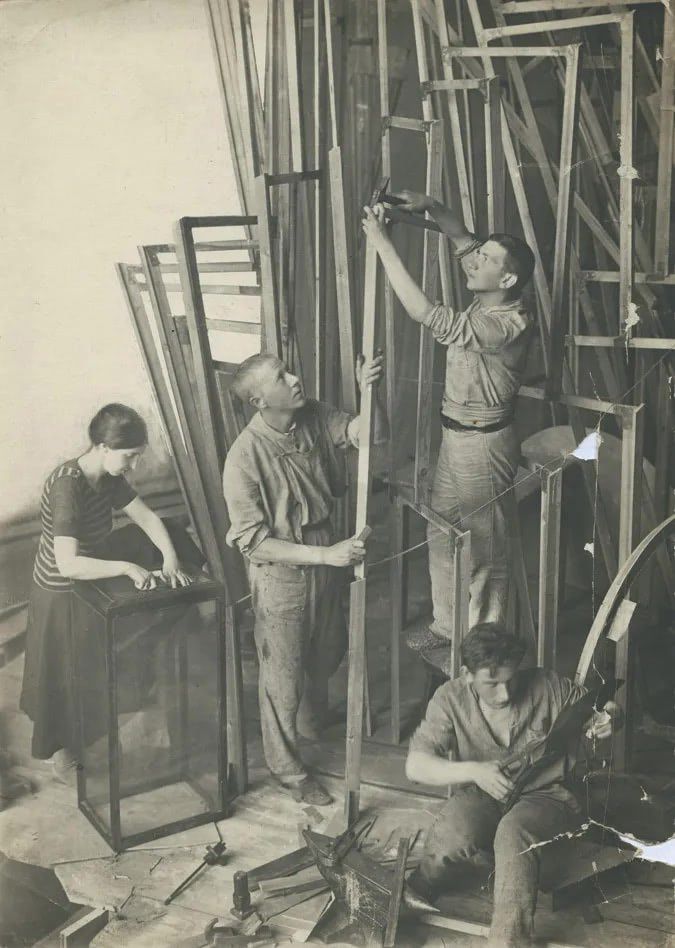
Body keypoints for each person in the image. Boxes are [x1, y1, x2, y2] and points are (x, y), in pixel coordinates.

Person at [362, 193, 536, 664]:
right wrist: (430, 205)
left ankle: (485, 650)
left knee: (484, 550)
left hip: (486, 446)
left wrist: (382, 244)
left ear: (508, 278)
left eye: (485, 259)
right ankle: (446, 624)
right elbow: (460, 237)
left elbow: (426, 314)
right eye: (478, 255)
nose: (473, 260)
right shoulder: (490, 287)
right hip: (455, 437)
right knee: (441, 532)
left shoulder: (509, 321)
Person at [223, 352, 385, 805]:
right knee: (282, 677)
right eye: (281, 377)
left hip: (324, 557)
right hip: (282, 573)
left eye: (290, 369)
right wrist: (325, 556)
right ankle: (288, 770)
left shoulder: (310, 414)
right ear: (259, 400)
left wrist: (369, 391)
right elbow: (254, 544)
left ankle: (310, 723)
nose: (295, 378)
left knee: (325, 648)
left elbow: (370, 435)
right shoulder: (243, 459)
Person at [405, 623, 622, 947]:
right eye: (491, 684)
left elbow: (604, 709)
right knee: (453, 834)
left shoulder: (548, 686)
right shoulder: (449, 698)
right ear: (466, 674)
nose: (504, 694)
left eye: (510, 680)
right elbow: (415, 766)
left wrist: (611, 718)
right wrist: (476, 771)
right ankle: (420, 886)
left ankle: (509, 940)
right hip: (485, 790)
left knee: (513, 833)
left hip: (547, 795)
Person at [19, 403, 204, 782]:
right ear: (103, 447)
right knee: (67, 674)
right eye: (130, 456)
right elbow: (69, 564)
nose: (134, 465)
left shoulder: (107, 477)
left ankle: (104, 727)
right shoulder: (68, 485)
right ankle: (65, 753)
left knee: (167, 534)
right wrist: (126, 567)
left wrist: (170, 560)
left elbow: (149, 518)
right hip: (61, 592)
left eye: (138, 456)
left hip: (90, 576)